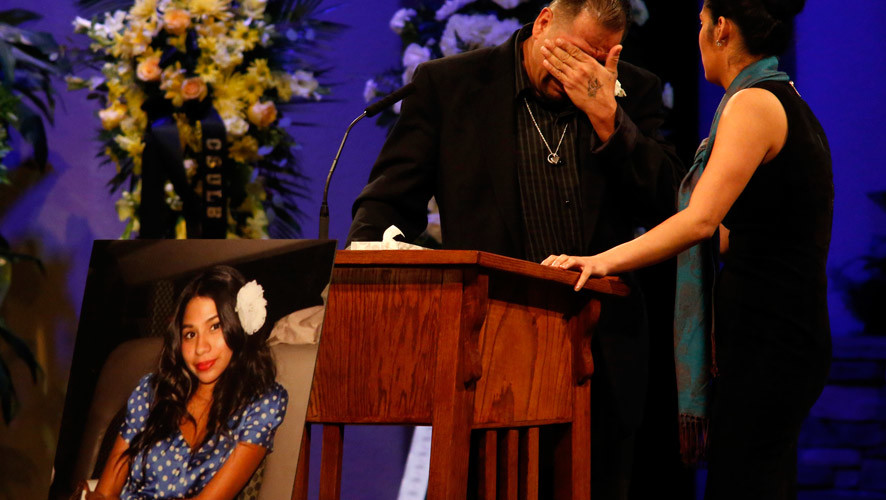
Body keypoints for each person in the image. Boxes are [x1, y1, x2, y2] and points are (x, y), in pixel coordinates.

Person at [348, 0, 684, 496]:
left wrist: (609, 119)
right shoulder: (451, 86)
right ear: (544, 21)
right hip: (486, 350)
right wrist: (369, 274)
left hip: (597, 354)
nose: (579, 74)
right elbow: (389, 201)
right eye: (571, 54)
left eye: (596, 61)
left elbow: (671, 210)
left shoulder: (631, 92)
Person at [544, 0, 831, 498]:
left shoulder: (754, 103)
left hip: (771, 335)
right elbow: (732, 233)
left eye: (701, 24)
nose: (697, 35)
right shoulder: (775, 97)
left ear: (722, 29)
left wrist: (601, 260)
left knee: (745, 484)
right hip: (779, 332)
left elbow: (701, 220)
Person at [87, 266, 288, 500]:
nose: (201, 348)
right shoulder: (151, 392)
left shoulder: (263, 402)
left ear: (239, 327)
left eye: (215, 327)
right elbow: (104, 491)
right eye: (190, 334)